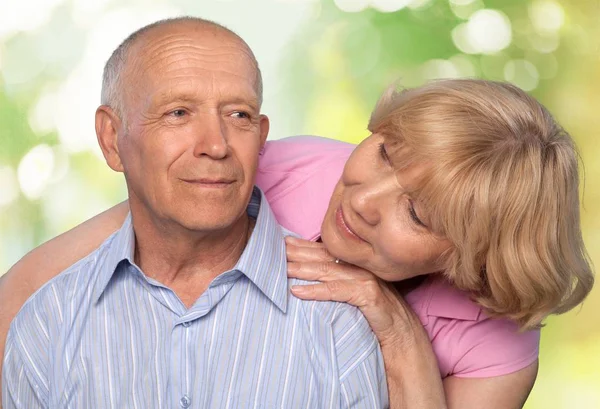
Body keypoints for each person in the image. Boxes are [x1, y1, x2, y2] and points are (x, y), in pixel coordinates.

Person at [1, 78, 593, 407]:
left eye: (415, 212)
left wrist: (393, 323)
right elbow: (31, 286)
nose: (361, 197)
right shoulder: (290, 168)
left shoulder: (493, 345)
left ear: (471, 257)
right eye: (385, 151)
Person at [1, 17, 389, 409]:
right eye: (179, 113)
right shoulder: (48, 323)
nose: (216, 145)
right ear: (112, 139)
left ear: (261, 137)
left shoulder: (338, 322)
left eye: (239, 115)